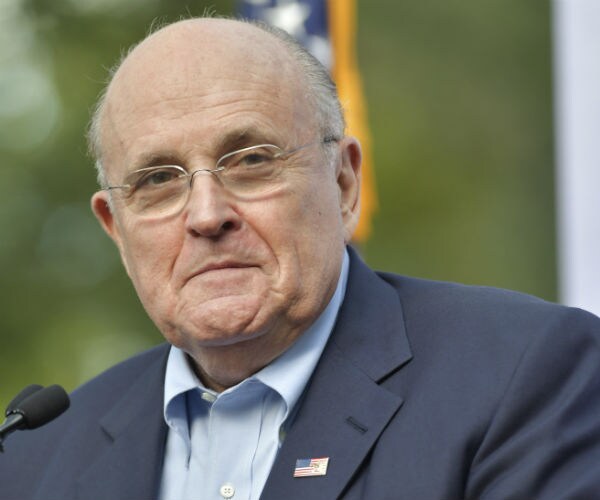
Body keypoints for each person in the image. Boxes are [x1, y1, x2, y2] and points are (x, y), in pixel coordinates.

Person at [2, 16, 600, 500]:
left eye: (250, 160)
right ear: (115, 228)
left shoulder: (524, 377)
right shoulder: (34, 456)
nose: (207, 215)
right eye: (158, 179)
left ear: (343, 183)